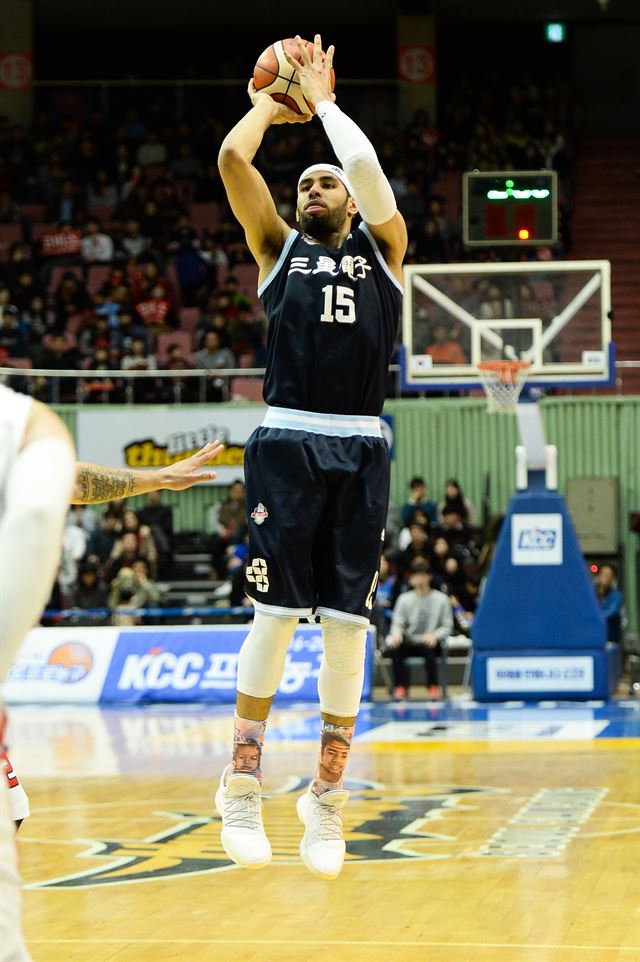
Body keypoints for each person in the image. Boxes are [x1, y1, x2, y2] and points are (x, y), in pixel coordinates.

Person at [214, 33, 407, 881]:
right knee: (275, 618)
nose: (315, 187)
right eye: (303, 184)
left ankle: (325, 798)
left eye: (324, 181)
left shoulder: (385, 252)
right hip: (287, 437)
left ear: (353, 204)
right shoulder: (277, 251)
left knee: (348, 630)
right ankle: (242, 780)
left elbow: (365, 168)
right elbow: (230, 158)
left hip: (361, 443)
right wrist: (271, 100)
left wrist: (322, 102)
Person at [385, 560, 453, 701]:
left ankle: (433, 686)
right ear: (411, 579)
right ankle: (401, 686)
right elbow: (397, 622)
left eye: (423, 575)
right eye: (416, 576)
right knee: (394, 647)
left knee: (430, 649)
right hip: (410, 640)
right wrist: (396, 634)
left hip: (430, 643)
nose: (420, 580)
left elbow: (447, 626)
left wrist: (435, 635)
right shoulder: (404, 599)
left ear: (429, 577)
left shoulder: (442, 599)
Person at [594, 563, 625, 645]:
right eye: (604, 574)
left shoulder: (616, 595)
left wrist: (594, 618)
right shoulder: (591, 593)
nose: (606, 577)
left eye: (609, 575)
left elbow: (611, 612)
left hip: (611, 638)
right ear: (599, 576)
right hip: (594, 637)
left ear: (613, 578)